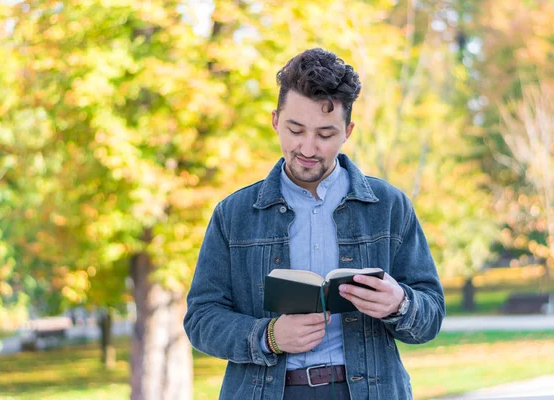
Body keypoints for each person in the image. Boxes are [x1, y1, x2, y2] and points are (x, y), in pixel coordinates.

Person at [184, 48, 445, 400]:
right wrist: (269, 335)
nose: (307, 147)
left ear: (347, 131)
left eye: (325, 134)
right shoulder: (234, 214)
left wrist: (400, 303)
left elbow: (430, 317)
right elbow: (201, 318)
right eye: (295, 130)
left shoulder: (389, 207)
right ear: (275, 120)